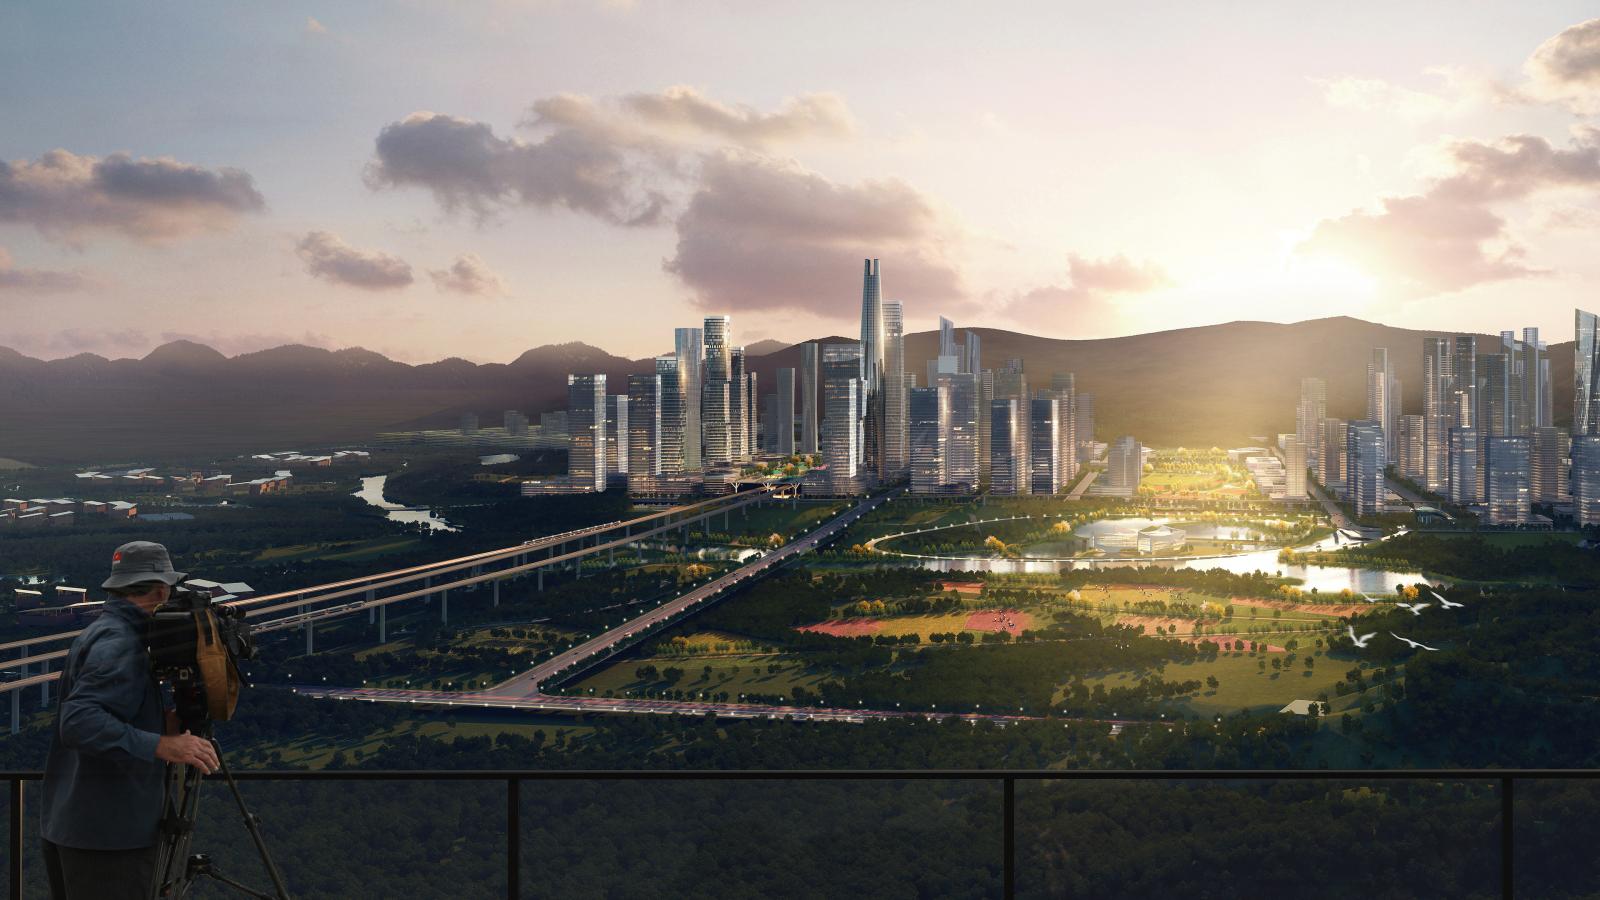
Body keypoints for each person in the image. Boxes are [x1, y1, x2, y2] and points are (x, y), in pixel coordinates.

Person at [40, 541, 220, 900]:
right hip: (109, 839)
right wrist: (162, 744)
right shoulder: (120, 643)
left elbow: (107, 711)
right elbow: (80, 722)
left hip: (81, 825)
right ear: (159, 589)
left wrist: (157, 724)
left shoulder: (101, 632)